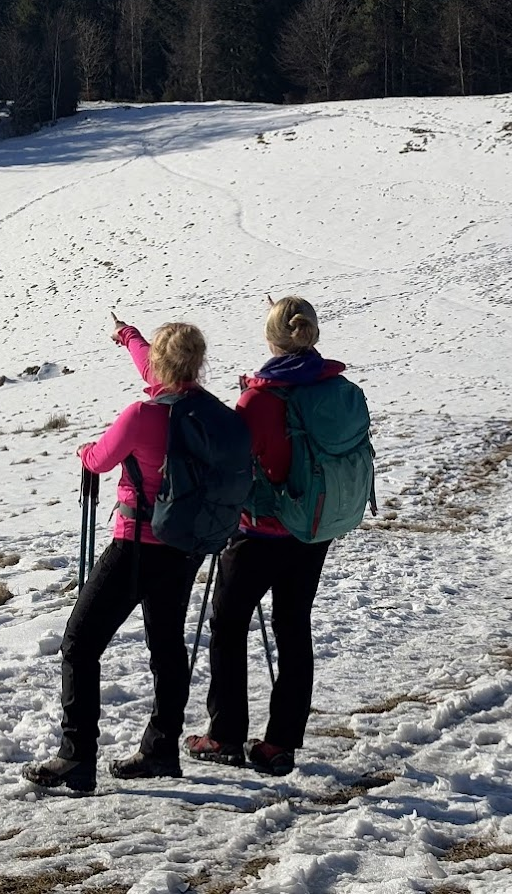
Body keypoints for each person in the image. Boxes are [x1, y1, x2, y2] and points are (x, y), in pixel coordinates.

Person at [23, 314, 208, 793]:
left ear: (163, 366)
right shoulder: (208, 412)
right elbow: (155, 369)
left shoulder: (142, 416)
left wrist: (85, 451)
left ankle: (75, 756)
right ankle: (162, 749)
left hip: (135, 546)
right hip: (185, 547)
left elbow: (100, 459)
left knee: (80, 644)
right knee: (167, 647)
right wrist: (130, 337)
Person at [186, 295, 344, 777]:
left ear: (271, 337)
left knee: (229, 627)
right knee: (293, 626)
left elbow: (233, 460)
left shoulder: (259, 397)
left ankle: (225, 735)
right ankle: (280, 744)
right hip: (314, 528)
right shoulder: (336, 387)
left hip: (259, 531)